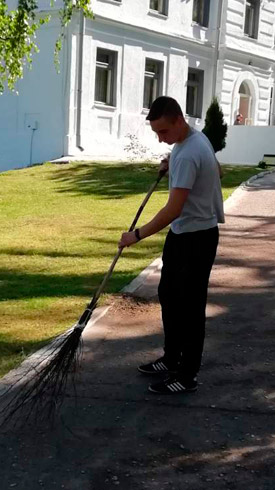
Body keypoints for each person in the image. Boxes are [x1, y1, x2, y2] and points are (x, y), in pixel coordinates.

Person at [118, 96, 223, 395]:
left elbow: (172, 209)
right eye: (156, 133)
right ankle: (171, 357)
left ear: (178, 120)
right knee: (170, 296)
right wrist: (173, 165)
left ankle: (187, 375)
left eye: (163, 132)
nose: (161, 139)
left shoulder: (190, 152)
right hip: (185, 234)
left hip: (195, 238)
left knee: (189, 307)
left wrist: (136, 235)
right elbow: (218, 171)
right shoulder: (190, 143)